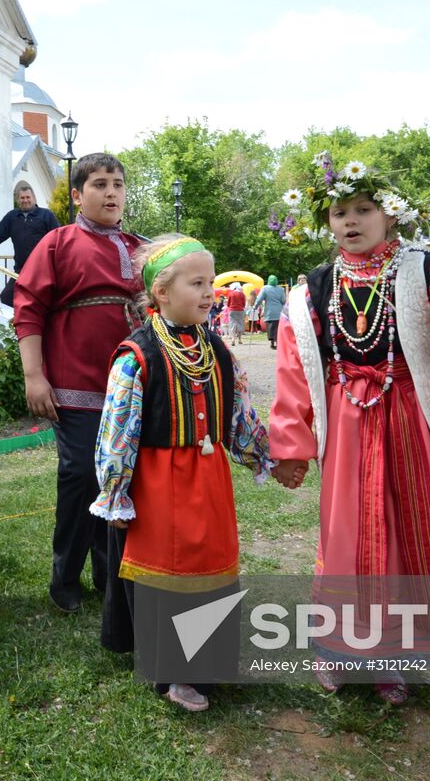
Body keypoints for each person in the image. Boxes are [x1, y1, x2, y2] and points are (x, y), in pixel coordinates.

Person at [269, 159, 430, 705]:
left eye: (364, 210)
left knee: (412, 530)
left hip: (414, 416)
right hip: (346, 421)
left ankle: (394, 656)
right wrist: (292, 445)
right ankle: (339, 649)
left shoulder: (427, 274)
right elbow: (294, 370)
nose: (351, 221)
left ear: (390, 217)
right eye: (340, 213)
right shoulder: (312, 290)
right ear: (327, 222)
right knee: (350, 535)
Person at [91, 235, 277, 712]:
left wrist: (267, 455)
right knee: (168, 576)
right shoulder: (137, 355)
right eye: (197, 283)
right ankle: (174, 673)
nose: (209, 291)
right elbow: (117, 430)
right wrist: (114, 492)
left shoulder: (217, 348)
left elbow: (239, 416)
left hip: (208, 477)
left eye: (211, 281)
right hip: (158, 483)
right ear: (161, 292)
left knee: (211, 568)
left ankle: (209, 660)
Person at [14, 153, 143, 613]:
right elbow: (28, 309)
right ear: (76, 195)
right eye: (100, 184)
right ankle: (64, 576)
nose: (111, 193)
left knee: (123, 477)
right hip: (74, 384)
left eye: (118, 184)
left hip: (130, 389)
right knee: (80, 476)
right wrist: (34, 376)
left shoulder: (142, 247)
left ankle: (110, 574)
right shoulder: (58, 242)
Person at [0, 180, 60, 306]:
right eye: (22, 198)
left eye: (28, 197)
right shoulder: (12, 217)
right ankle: (19, 324)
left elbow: (58, 239)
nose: (25, 200)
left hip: (43, 270)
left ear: (33, 198)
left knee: (42, 302)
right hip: (21, 270)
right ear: (18, 200)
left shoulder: (46, 215)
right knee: (7, 297)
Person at [253, 275, 287, 350]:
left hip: (269, 312)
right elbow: (284, 301)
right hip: (279, 312)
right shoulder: (281, 289)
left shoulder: (265, 288)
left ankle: (272, 343)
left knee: (270, 328)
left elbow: (259, 299)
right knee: (278, 328)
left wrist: (255, 306)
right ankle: (278, 343)